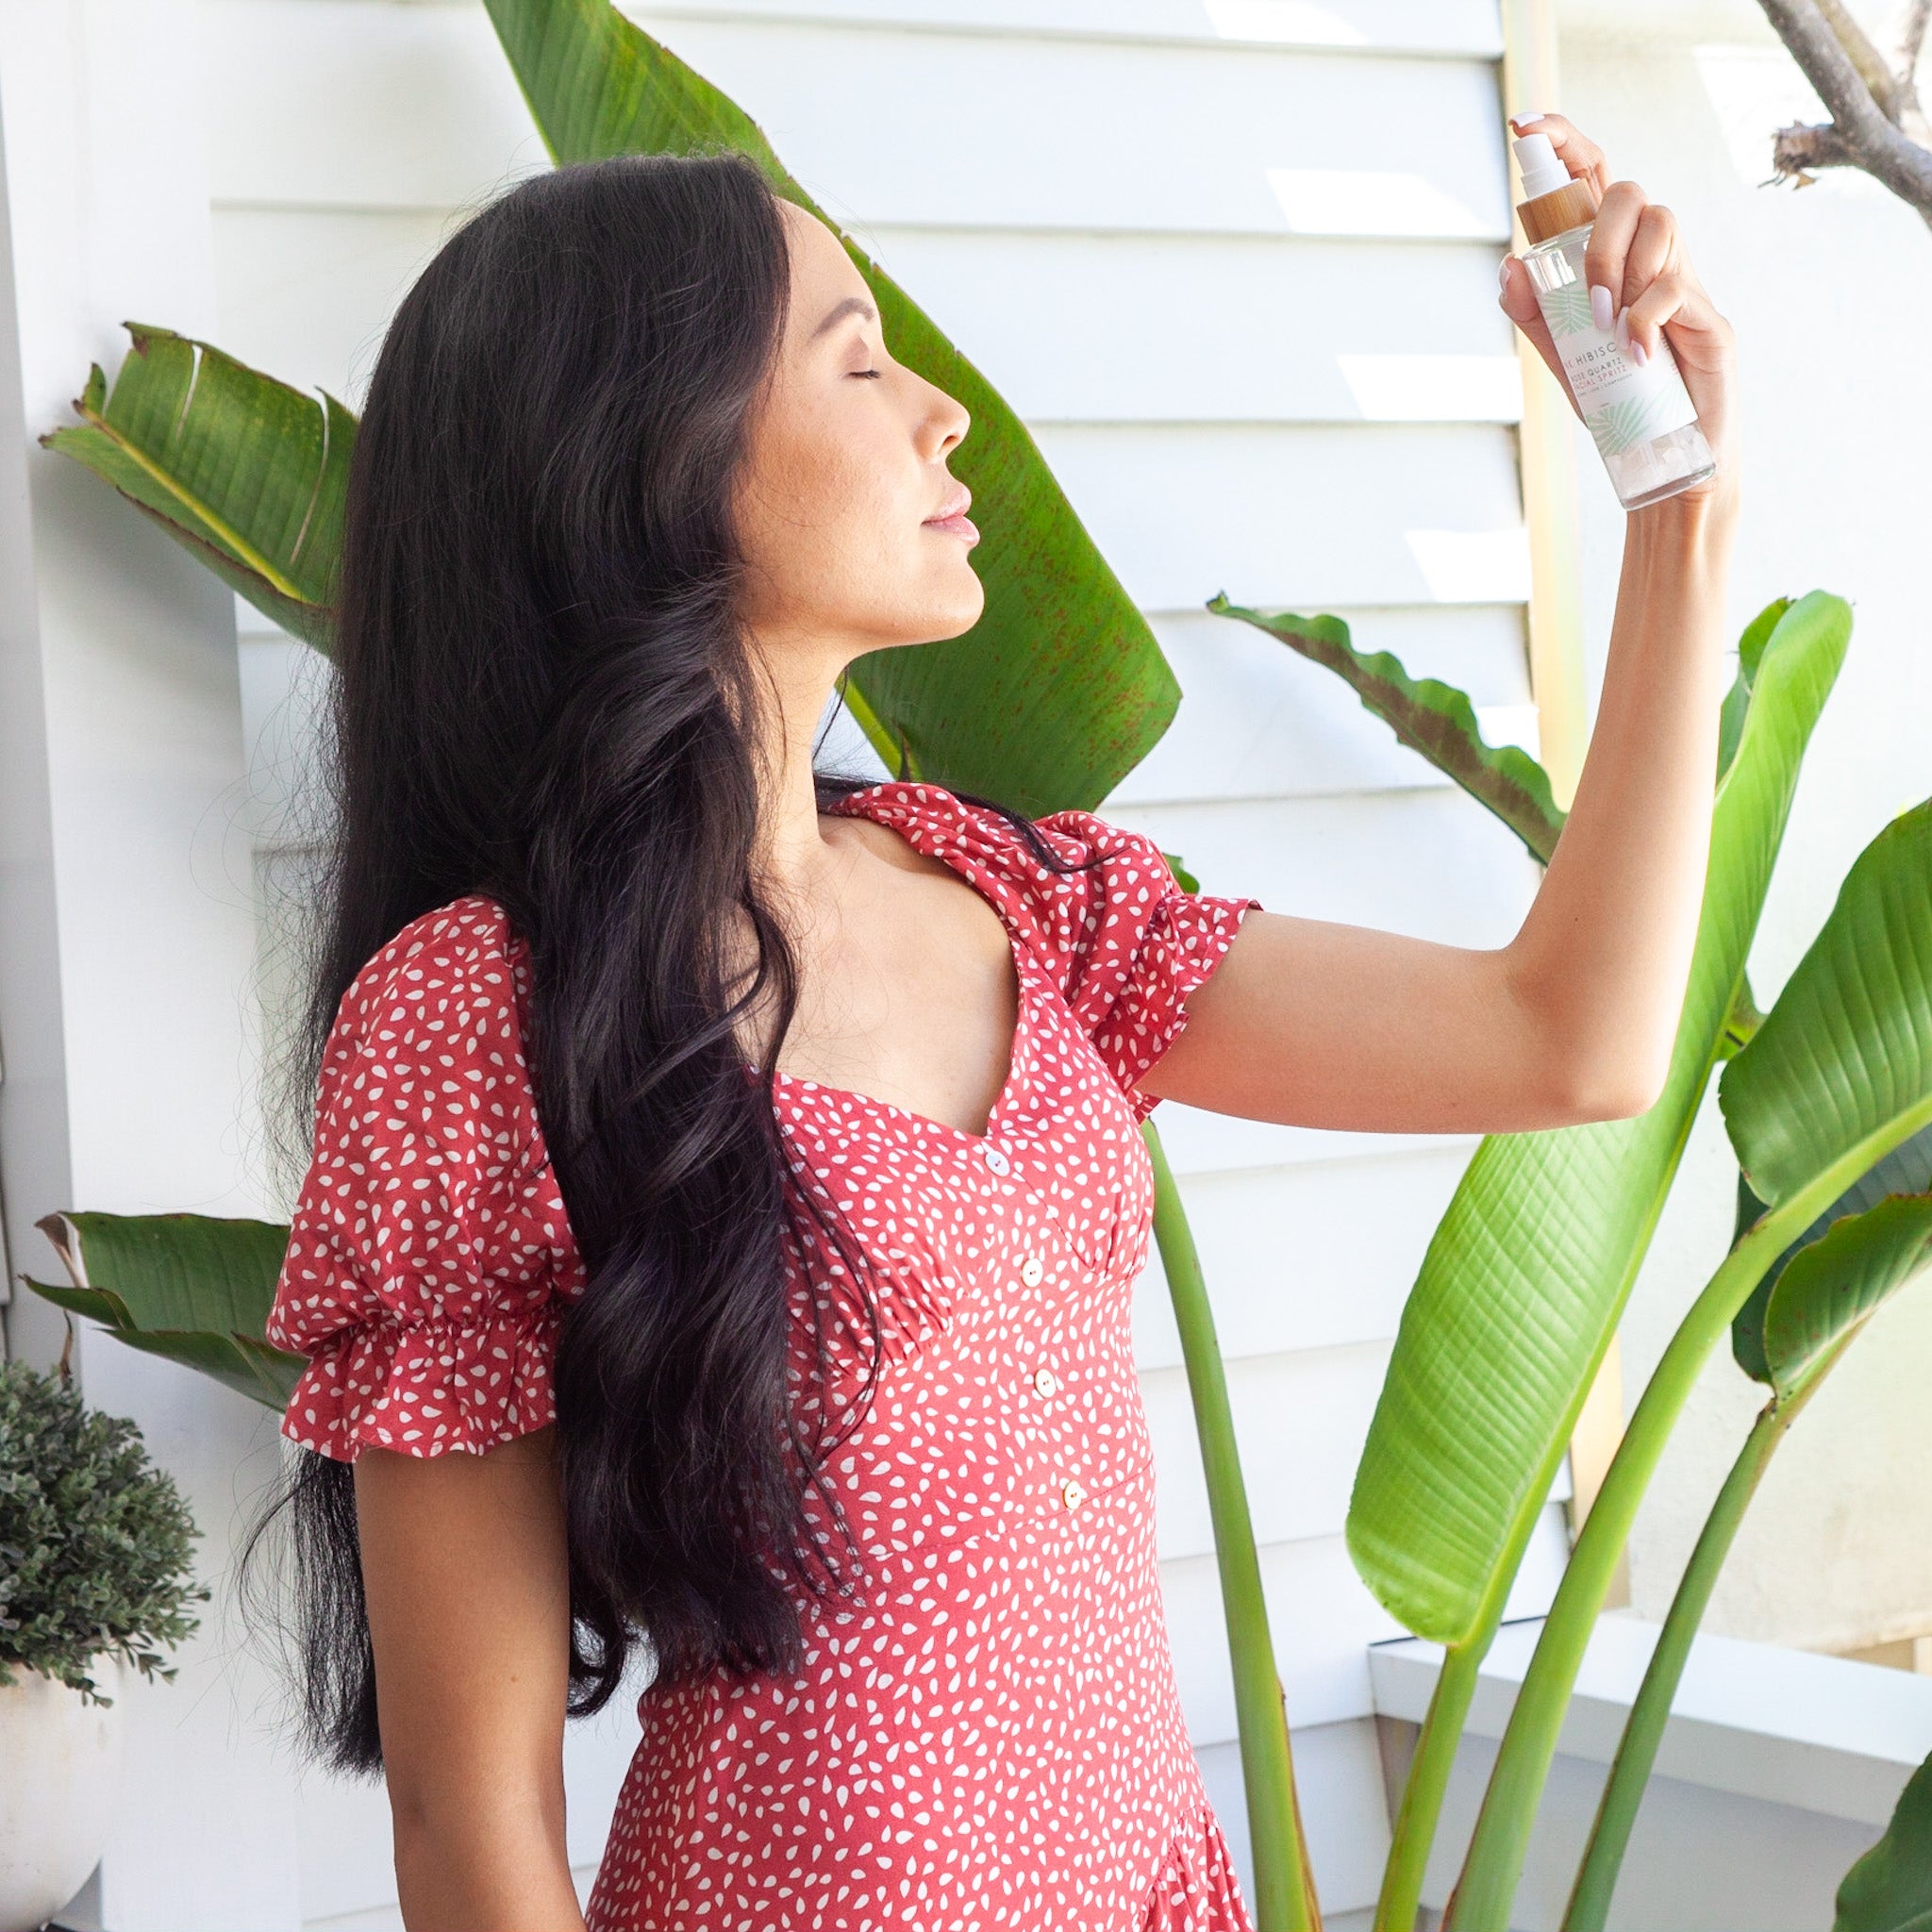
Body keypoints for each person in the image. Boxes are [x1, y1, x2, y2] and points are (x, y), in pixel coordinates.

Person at [254, 108, 1736, 1932]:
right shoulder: (481, 1018)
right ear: (654, 459)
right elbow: (469, 1838)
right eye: (856, 360)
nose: (940, 410)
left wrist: (1677, 509)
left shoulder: (1032, 905)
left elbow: (1566, 1040)